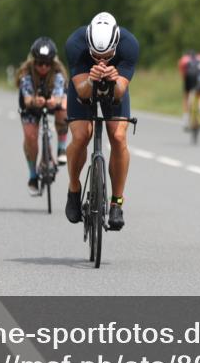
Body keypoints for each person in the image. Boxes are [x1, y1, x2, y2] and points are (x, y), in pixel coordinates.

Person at [64, 12, 139, 230]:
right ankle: (74, 188)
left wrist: (114, 80)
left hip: (115, 87)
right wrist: (91, 79)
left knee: (117, 136)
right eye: (96, 55)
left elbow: (120, 92)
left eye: (107, 55)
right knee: (80, 135)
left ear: (116, 44)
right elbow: (81, 90)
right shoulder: (75, 44)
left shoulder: (129, 45)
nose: (102, 60)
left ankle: (116, 202)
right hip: (84, 83)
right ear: (88, 45)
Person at [17, 37, 69, 195]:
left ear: (52, 63)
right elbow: (26, 100)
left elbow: (60, 95)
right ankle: (33, 175)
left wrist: (55, 101)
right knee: (30, 137)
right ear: (34, 62)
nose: (43, 67)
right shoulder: (26, 75)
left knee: (64, 108)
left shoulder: (58, 73)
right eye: (40, 63)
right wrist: (34, 101)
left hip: (52, 103)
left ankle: (61, 149)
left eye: (47, 64)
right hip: (31, 106)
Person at [178, 49, 200, 128]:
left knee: (187, 95)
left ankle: (186, 118)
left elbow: (182, 73)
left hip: (189, 77)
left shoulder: (184, 59)